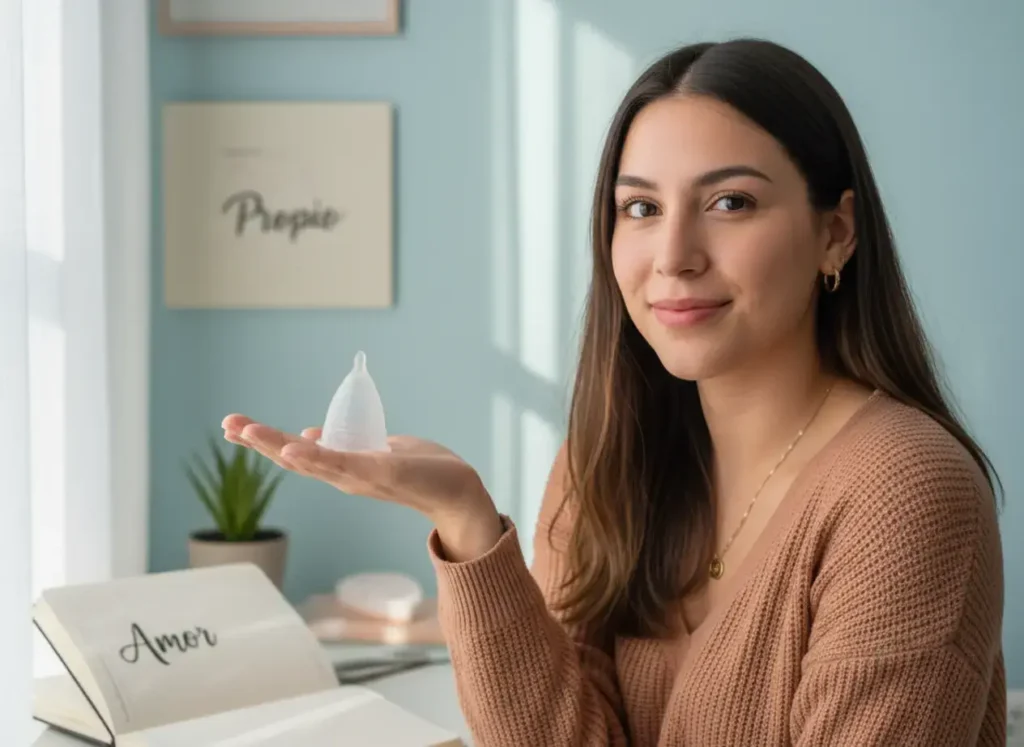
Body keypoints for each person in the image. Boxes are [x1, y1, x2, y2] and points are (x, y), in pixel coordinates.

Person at [223, 38, 1005, 746]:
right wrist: (463, 519)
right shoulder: (604, 465)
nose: (674, 255)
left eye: (730, 202)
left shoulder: (906, 489)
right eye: (641, 207)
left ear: (835, 232)